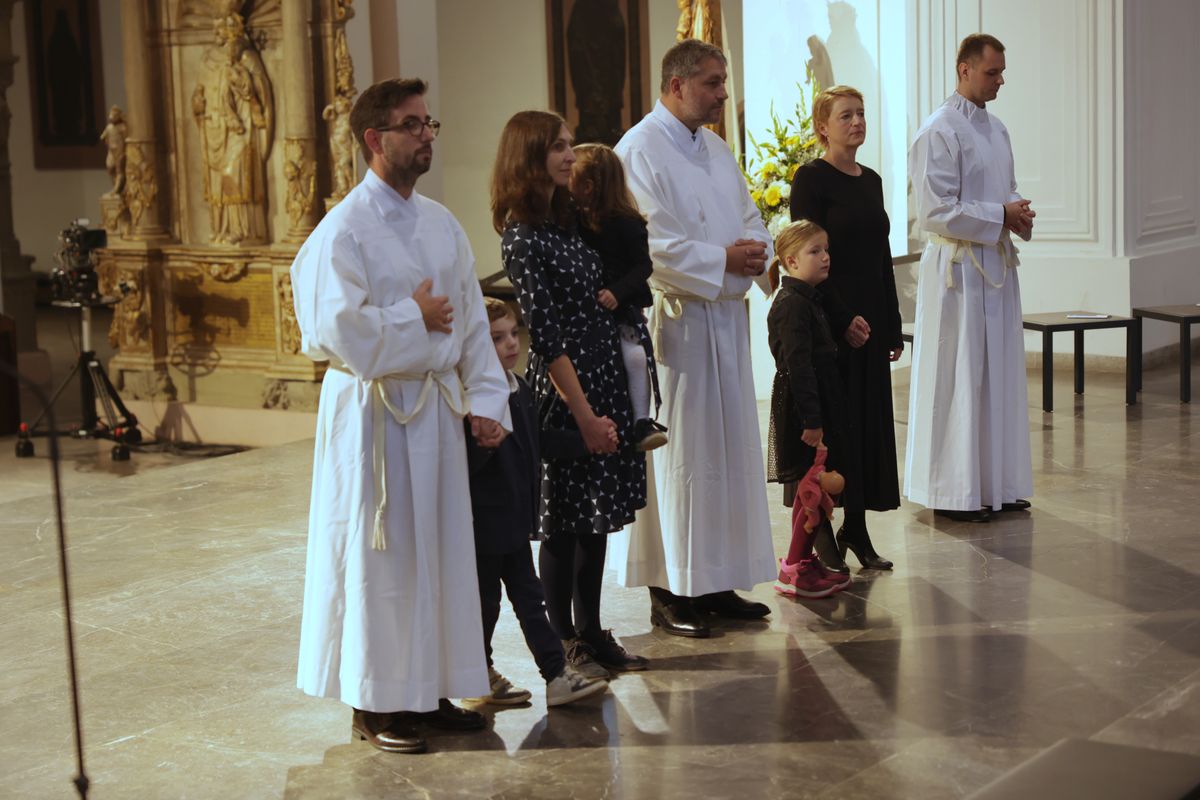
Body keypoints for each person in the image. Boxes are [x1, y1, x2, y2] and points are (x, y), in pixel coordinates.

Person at [292, 78, 511, 755]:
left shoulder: (441, 223)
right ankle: (377, 700)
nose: (426, 136)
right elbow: (335, 332)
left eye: (428, 123)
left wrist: (485, 399)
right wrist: (411, 318)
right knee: (380, 559)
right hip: (374, 419)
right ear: (373, 139)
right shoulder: (343, 231)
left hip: (435, 415)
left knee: (440, 555)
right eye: (411, 125)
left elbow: (472, 321)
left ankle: (433, 690)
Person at [612, 39, 775, 638]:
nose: (721, 93)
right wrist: (724, 258)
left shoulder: (714, 148)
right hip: (677, 326)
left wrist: (755, 251)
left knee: (727, 455)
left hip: (726, 324)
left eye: (722, 81)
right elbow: (651, 246)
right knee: (681, 458)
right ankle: (671, 586)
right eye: (712, 82)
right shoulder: (638, 150)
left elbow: (750, 216)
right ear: (677, 85)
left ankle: (716, 578)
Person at [491, 110, 649, 677]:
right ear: (529, 156)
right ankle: (565, 641)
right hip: (568, 387)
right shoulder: (523, 236)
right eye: (558, 147)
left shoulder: (565, 222)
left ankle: (592, 629)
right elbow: (548, 334)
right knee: (565, 520)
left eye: (567, 145)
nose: (569, 155)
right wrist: (583, 415)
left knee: (597, 516)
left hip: (603, 375)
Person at [906, 34, 1036, 523]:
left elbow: (1004, 191)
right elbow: (935, 211)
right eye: (992, 72)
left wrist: (1016, 212)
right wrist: (998, 213)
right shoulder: (938, 130)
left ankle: (997, 483)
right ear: (964, 69)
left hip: (995, 266)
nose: (1000, 80)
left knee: (997, 375)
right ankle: (952, 490)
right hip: (958, 272)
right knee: (959, 377)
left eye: (1002, 72)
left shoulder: (997, 130)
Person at [464, 297, 609, 708]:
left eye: (514, 333)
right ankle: (485, 673)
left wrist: (586, 440)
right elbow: (467, 464)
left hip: (513, 521)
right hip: (486, 525)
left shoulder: (519, 388)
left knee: (529, 598)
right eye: (496, 338)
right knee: (486, 605)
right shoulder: (473, 400)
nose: (511, 344)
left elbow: (538, 442)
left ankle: (553, 674)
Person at [790, 85, 899, 572]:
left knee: (866, 426)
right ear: (822, 126)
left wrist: (891, 324)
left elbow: (881, 260)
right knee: (834, 429)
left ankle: (856, 525)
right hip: (831, 321)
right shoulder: (810, 179)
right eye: (845, 115)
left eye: (861, 114)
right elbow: (807, 256)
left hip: (871, 319)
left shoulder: (872, 180)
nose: (856, 122)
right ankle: (819, 533)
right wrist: (840, 319)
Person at [766, 220, 855, 598]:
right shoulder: (791, 305)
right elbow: (797, 366)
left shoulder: (806, 299)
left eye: (826, 249)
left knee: (815, 491)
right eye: (814, 251)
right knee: (811, 493)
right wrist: (813, 420)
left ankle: (801, 561)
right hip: (803, 414)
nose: (825, 257)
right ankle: (794, 568)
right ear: (790, 260)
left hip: (815, 407)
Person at [569, 143, 667, 452]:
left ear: (588, 186)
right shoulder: (572, 219)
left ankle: (640, 422)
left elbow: (643, 265)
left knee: (635, 358)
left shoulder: (627, 222)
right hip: (585, 311)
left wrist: (617, 292)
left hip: (620, 307)